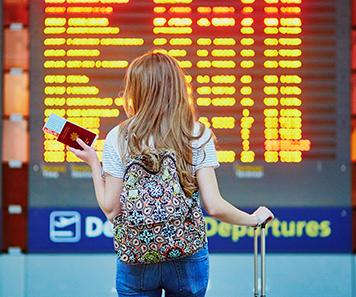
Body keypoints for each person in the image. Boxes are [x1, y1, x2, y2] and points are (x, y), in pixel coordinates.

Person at [69, 51, 274, 297]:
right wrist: (253, 219)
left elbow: (111, 210)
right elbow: (215, 206)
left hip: (137, 254)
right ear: (177, 87)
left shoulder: (118, 136)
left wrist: (93, 162)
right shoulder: (197, 134)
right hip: (187, 254)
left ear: (137, 89)